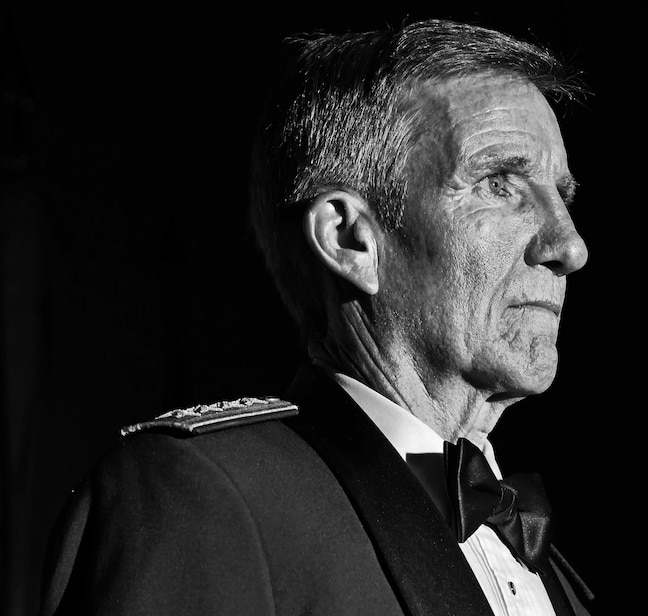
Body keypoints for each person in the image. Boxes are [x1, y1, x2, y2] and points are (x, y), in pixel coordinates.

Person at [38, 19, 593, 616]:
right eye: (499, 182)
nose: (570, 245)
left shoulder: (546, 565)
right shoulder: (201, 498)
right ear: (351, 239)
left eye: (562, 195)